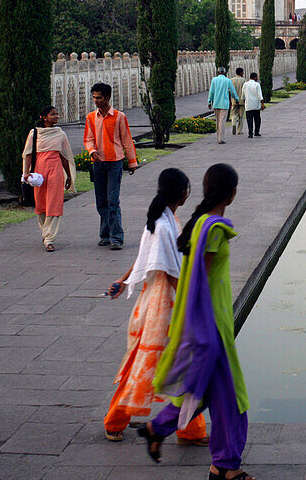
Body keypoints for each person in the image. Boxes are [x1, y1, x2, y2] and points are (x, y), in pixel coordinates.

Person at [138, 164, 254, 479]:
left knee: (206, 393)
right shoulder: (214, 228)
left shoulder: (199, 222)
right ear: (231, 193)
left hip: (210, 324)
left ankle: (158, 429)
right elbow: (199, 279)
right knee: (232, 399)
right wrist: (202, 331)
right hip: (212, 326)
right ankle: (226, 465)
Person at [103, 168, 208, 446]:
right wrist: (193, 301)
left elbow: (145, 259)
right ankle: (115, 419)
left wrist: (124, 280)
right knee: (148, 364)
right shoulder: (162, 225)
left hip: (164, 299)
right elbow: (167, 269)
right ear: (183, 194)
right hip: (164, 303)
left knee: (181, 364)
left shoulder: (165, 219)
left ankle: (190, 429)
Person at [85, 83, 139, 251]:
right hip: (98, 163)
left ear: (107, 98)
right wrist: (92, 151)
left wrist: (132, 161)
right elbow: (88, 139)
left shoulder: (119, 116)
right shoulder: (91, 117)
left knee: (112, 201)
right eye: (94, 97)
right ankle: (105, 235)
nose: (95, 101)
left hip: (115, 162)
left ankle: (116, 237)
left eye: (98, 97)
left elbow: (127, 140)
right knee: (101, 201)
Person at [22, 105, 75, 252]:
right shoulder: (35, 134)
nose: (56, 116)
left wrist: (69, 175)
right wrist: (26, 173)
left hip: (56, 171)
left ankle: (49, 238)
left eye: (57, 114)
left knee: (54, 203)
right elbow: (27, 154)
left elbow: (64, 156)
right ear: (44, 117)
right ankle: (45, 231)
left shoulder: (60, 134)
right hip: (39, 173)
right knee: (40, 205)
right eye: (53, 114)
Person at [207, 67, 239, 145]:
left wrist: (209, 101)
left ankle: (218, 137)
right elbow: (232, 91)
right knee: (222, 121)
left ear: (218, 72)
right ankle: (220, 139)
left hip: (216, 103)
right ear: (224, 73)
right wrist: (236, 99)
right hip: (224, 104)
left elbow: (211, 91)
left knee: (218, 121)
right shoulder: (227, 80)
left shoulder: (214, 80)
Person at [242, 72, 264, 138]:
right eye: (257, 77)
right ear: (255, 77)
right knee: (257, 119)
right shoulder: (257, 84)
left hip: (248, 105)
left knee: (249, 120)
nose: (257, 78)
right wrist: (262, 104)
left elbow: (243, 95)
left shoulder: (245, 84)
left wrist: (245, 102)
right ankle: (256, 132)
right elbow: (260, 95)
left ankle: (250, 133)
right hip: (256, 105)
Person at [229, 68, 246, 137]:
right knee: (241, 116)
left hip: (233, 101)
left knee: (234, 114)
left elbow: (229, 91)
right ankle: (239, 130)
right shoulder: (244, 80)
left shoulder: (231, 80)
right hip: (241, 100)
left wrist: (230, 100)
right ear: (241, 73)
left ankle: (233, 124)